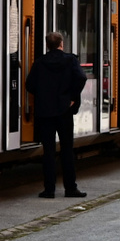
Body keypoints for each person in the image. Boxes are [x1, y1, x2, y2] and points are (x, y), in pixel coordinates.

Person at [26, 30, 89, 199]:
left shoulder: (39, 63)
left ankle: (49, 190)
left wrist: (43, 95)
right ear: (61, 44)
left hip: (45, 112)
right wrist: (72, 97)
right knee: (67, 149)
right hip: (64, 111)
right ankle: (70, 188)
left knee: (48, 152)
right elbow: (82, 78)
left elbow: (29, 85)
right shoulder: (71, 60)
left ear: (48, 45)